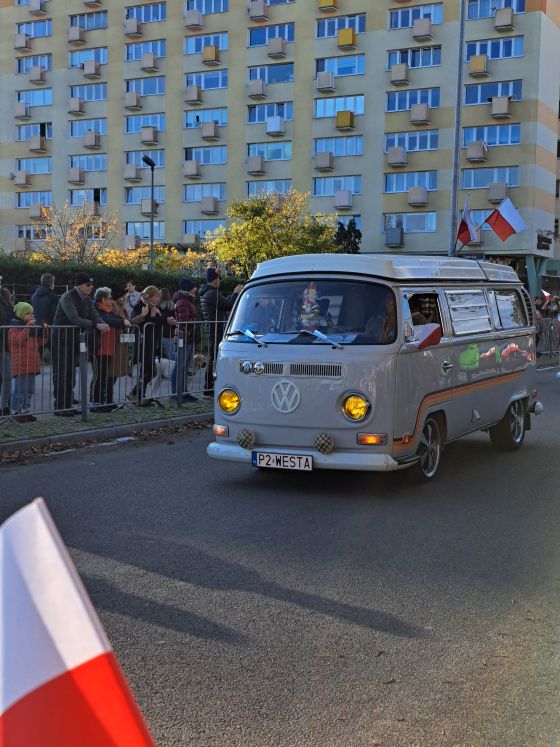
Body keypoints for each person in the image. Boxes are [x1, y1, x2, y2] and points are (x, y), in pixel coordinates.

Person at [51, 272, 109, 416]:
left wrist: (103, 323)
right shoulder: (67, 297)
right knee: (62, 372)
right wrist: (96, 325)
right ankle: (60, 406)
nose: (90, 287)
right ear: (79, 285)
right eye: (87, 285)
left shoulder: (88, 300)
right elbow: (74, 318)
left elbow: (95, 315)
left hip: (75, 339)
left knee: (71, 372)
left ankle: (68, 403)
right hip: (61, 339)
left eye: (92, 285)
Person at [199, 268, 243, 398]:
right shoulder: (211, 293)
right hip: (214, 328)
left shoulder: (210, 292)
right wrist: (235, 293)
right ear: (216, 279)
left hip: (214, 328)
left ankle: (210, 386)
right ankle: (208, 388)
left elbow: (223, 303)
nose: (220, 281)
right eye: (219, 279)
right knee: (214, 357)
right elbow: (228, 305)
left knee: (214, 356)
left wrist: (234, 295)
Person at [90, 287, 131, 411]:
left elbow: (115, 318)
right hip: (99, 348)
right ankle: (94, 403)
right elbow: (108, 320)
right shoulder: (96, 310)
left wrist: (123, 320)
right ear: (103, 299)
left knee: (103, 376)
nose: (111, 300)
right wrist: (123, 322)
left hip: (108, 348)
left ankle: (102, 401)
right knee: (98, 376)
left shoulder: (108, 310)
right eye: (109, 298)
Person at [8, 302, 47, 423]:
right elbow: (16, 341)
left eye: (32, 313)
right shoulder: (14, 327)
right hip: (20, 364)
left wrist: (45, 331)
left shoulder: (30, 327)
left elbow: (41, 343)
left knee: (29, 390)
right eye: (28, 313)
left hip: (32, 364)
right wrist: (27, 328)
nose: (31, 315)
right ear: (20, 314)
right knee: (18, 390)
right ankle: (15, 412)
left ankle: (25, 411)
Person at [128, 286, 165, 403]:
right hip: (143, 342)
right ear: (148, 295)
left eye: (158, 297)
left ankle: (137, 394)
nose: (157, 299)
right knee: (149, 370)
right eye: (155, 296)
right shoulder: (140, 306)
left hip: (151, 342)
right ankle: (136, 394)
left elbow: (156, 322)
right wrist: (152, 316)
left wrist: (158, 315)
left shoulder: (153, 307)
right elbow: (136, 322)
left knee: (149, 370)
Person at [171, 277, 199, 402]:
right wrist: (195, 322)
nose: (196, 288)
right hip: (184, 336)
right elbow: (183, 321)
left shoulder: (188, 300)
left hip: (188, 336)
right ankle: (176, 393)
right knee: (180, 366)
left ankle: (183, 391)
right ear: (189, 288)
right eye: (194, 287)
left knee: (185, 366)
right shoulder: (183, 301)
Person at [108, 283, 133, 401]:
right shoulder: (113, 306)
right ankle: (105, 399)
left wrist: (142, 316)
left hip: (120, 342)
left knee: (114, 372)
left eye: (125, 296)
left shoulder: (122, 308)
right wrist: (123, 322)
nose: (124, 298)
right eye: (122, 297)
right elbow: (116, 320)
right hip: (114, 342)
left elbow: (129, 322)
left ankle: (108, 398)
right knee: (111, 372)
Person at [0, 286, 16, 416]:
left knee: (6, 377)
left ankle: (4, 407)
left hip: (5, 343)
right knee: (7, 377)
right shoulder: (5, 302)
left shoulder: (5, 299)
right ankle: (4, 407)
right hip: (4, 343)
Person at [158, 287, 176, 361]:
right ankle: (175, 369)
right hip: (170, 333)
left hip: (159, 332)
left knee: (158, 353)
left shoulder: (157, 305)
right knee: (171, 353)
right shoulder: (172, 305)